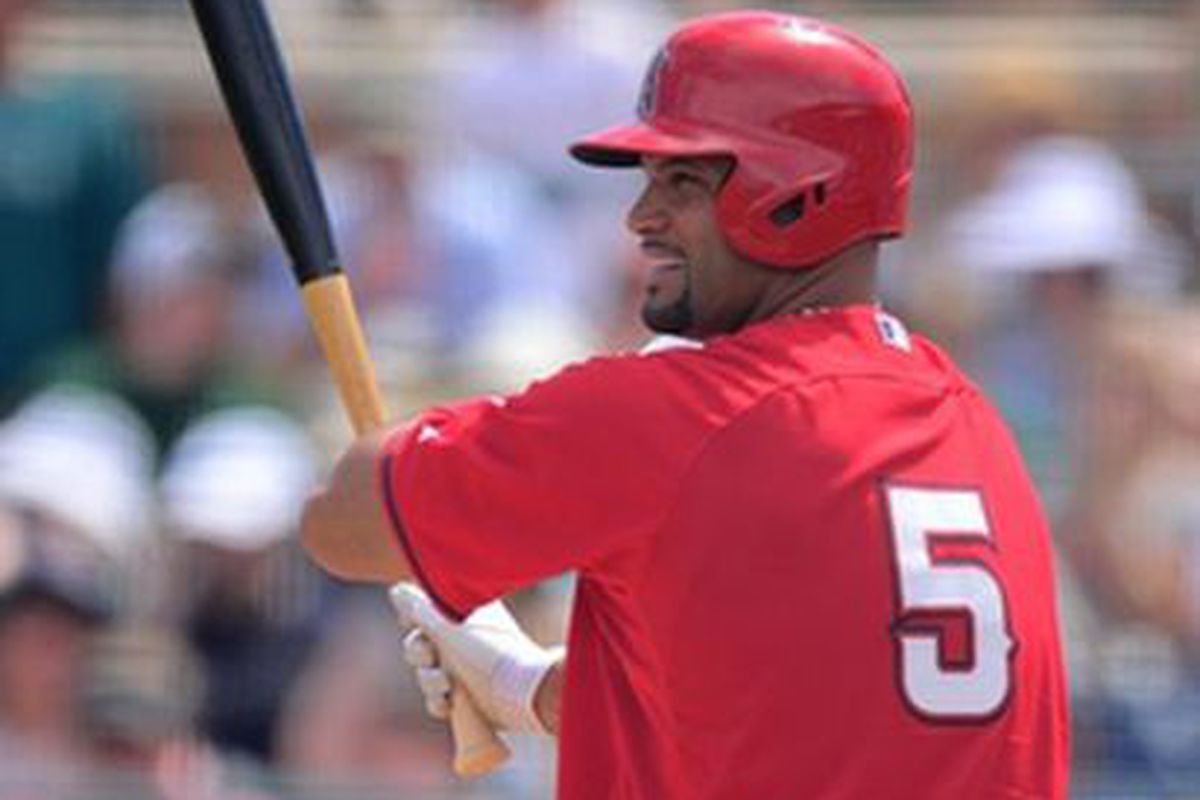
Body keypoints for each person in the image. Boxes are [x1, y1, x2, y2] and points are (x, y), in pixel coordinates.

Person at [301, 12, 1070, 799]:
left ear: (798, 195)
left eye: (683, 183)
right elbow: (807, 703)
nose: (641, 216)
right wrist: (528, 686)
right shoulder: (968, 421)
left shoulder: (679, 413)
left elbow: (342, 521)